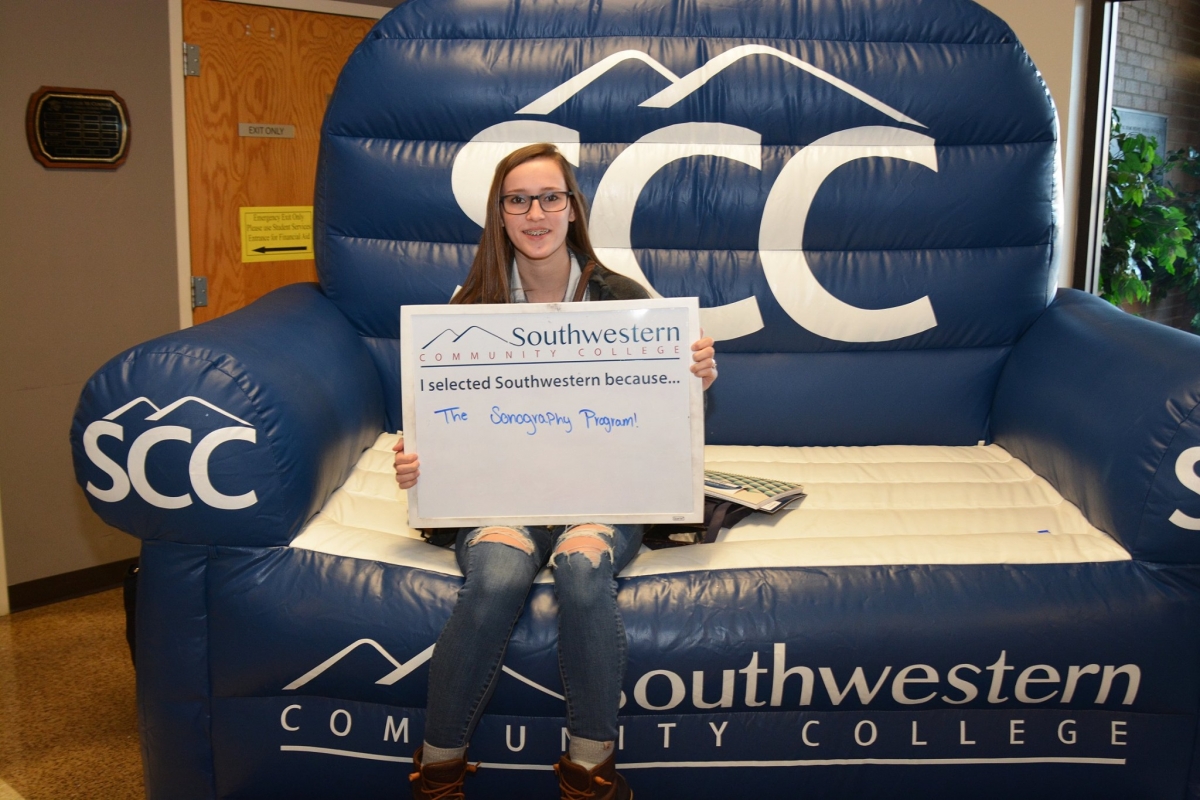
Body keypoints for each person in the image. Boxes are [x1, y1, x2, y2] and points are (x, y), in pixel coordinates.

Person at [393, 143, 717, 800]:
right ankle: (438, 772)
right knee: (498, 573)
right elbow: (441, 421)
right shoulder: (467, 309)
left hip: (602, 494)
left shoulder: (625, 299)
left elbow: (661, 414)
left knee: (580, 564)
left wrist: (695, 378)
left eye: (549, 198)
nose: (534, 212)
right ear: (500, 214)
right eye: (518, 200)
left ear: (572, 210)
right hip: (503, 498)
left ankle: (590, 772)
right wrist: (418, 461)